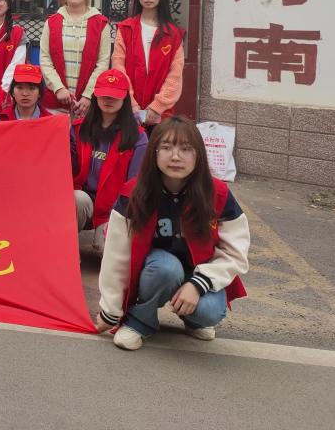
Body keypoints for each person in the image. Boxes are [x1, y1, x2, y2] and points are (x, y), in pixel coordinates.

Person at [96, 116, 249, 351]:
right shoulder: (134, 193)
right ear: (154, 153)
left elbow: (236, 252)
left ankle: (191, 318)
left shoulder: (217, 193)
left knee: (209, 312)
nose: (176, 157)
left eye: (186, 149)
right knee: (166, 268)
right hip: (155, 271)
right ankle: (140, 321)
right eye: (166, 147)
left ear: (198, 155)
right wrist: (110, 310)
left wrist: (198, 284)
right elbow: (117, 255)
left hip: (199, 272)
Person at [70, 69, 148, 231]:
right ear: (95, 96)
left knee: (106, 245)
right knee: (78, 198)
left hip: (114, 211)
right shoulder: (78, 129)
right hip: (84, 202)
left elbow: (134, 185)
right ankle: (68, 244)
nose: (108, 100)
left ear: (125, 98)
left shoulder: (138, 137)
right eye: (104, 95)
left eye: (114, 96)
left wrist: (120, 214)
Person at [112, 0, 185, 127]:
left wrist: (157, 106)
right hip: (128, 110)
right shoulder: (125, 28)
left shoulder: (173, 33)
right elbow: (118, 67)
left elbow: (175, 74)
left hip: (162, 113)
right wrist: (131, 103)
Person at [40, 0, 110, 119]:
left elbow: (103, 63)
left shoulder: (101, 24)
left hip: (87, 104)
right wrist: (58, 88)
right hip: (56, 103)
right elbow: (45, 60)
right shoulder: (52, 22)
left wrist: (88, 95)